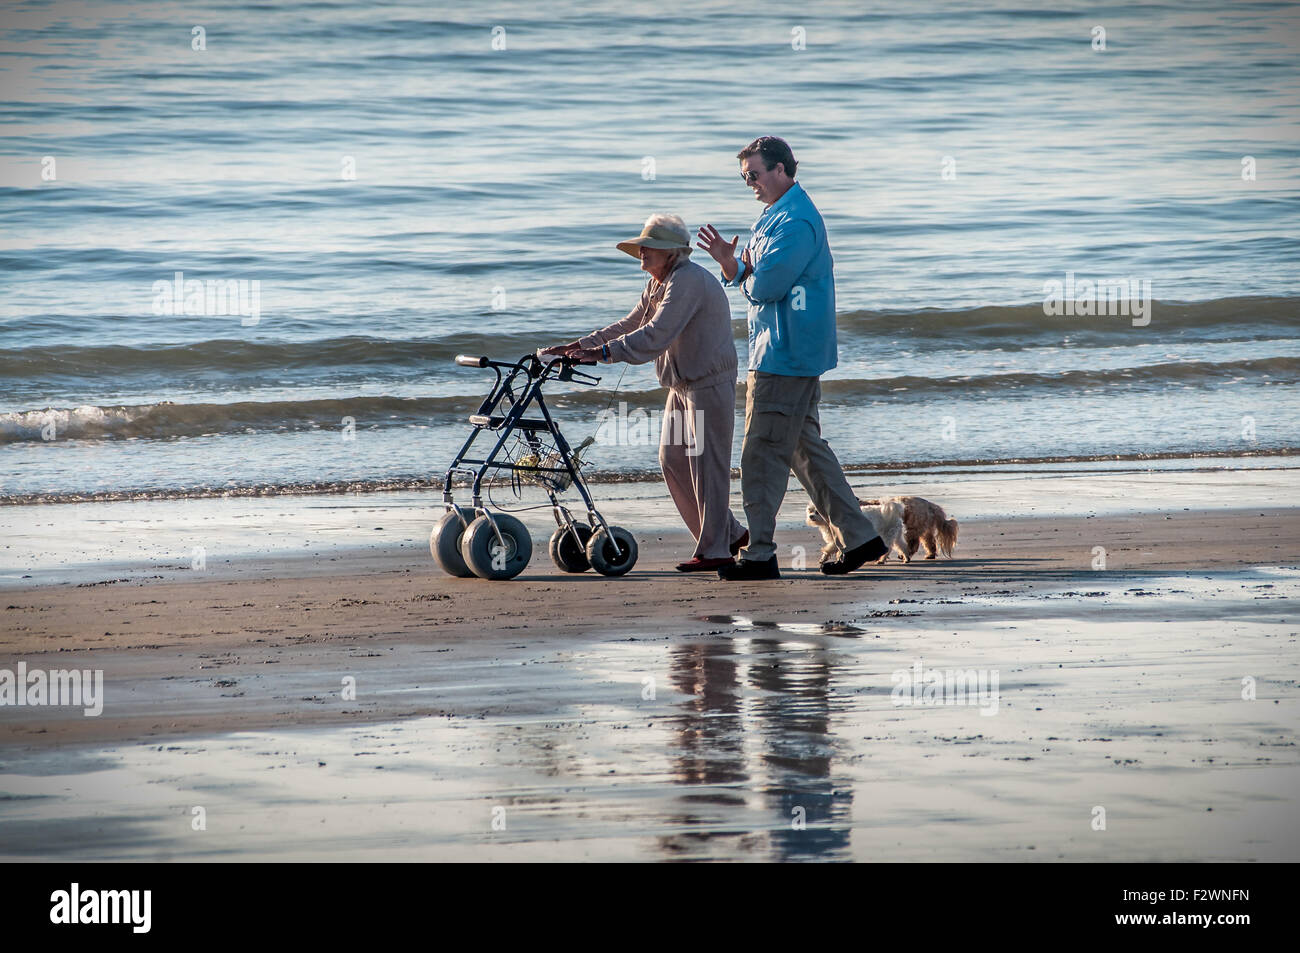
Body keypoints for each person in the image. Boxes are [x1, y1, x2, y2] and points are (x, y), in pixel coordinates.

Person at [696, 136, 886, 580]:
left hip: (785, 354)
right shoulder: (776, 215)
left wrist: (734, 271)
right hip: (784, 350)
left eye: (753, 174)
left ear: (781, 169)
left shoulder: (795, 221)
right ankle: (859, 536)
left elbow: (765, 288)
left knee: (761, 453)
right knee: (804, 449)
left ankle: (760, 554)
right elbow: (756, 276)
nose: (750, 184)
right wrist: (738, 268)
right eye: (745, 177)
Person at [541, 213, 748, 572]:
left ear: (670, 252)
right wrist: (577, 346)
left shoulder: (688, 282)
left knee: (707, 466)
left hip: (707, 382)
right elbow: (632, 323)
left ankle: (716, 550)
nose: (641, 258)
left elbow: (656, 334)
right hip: (682, 384)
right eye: (640, 251)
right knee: (672, 460)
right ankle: (727, 533)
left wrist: (602, 354)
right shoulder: (660, 283)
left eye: (647, 250)